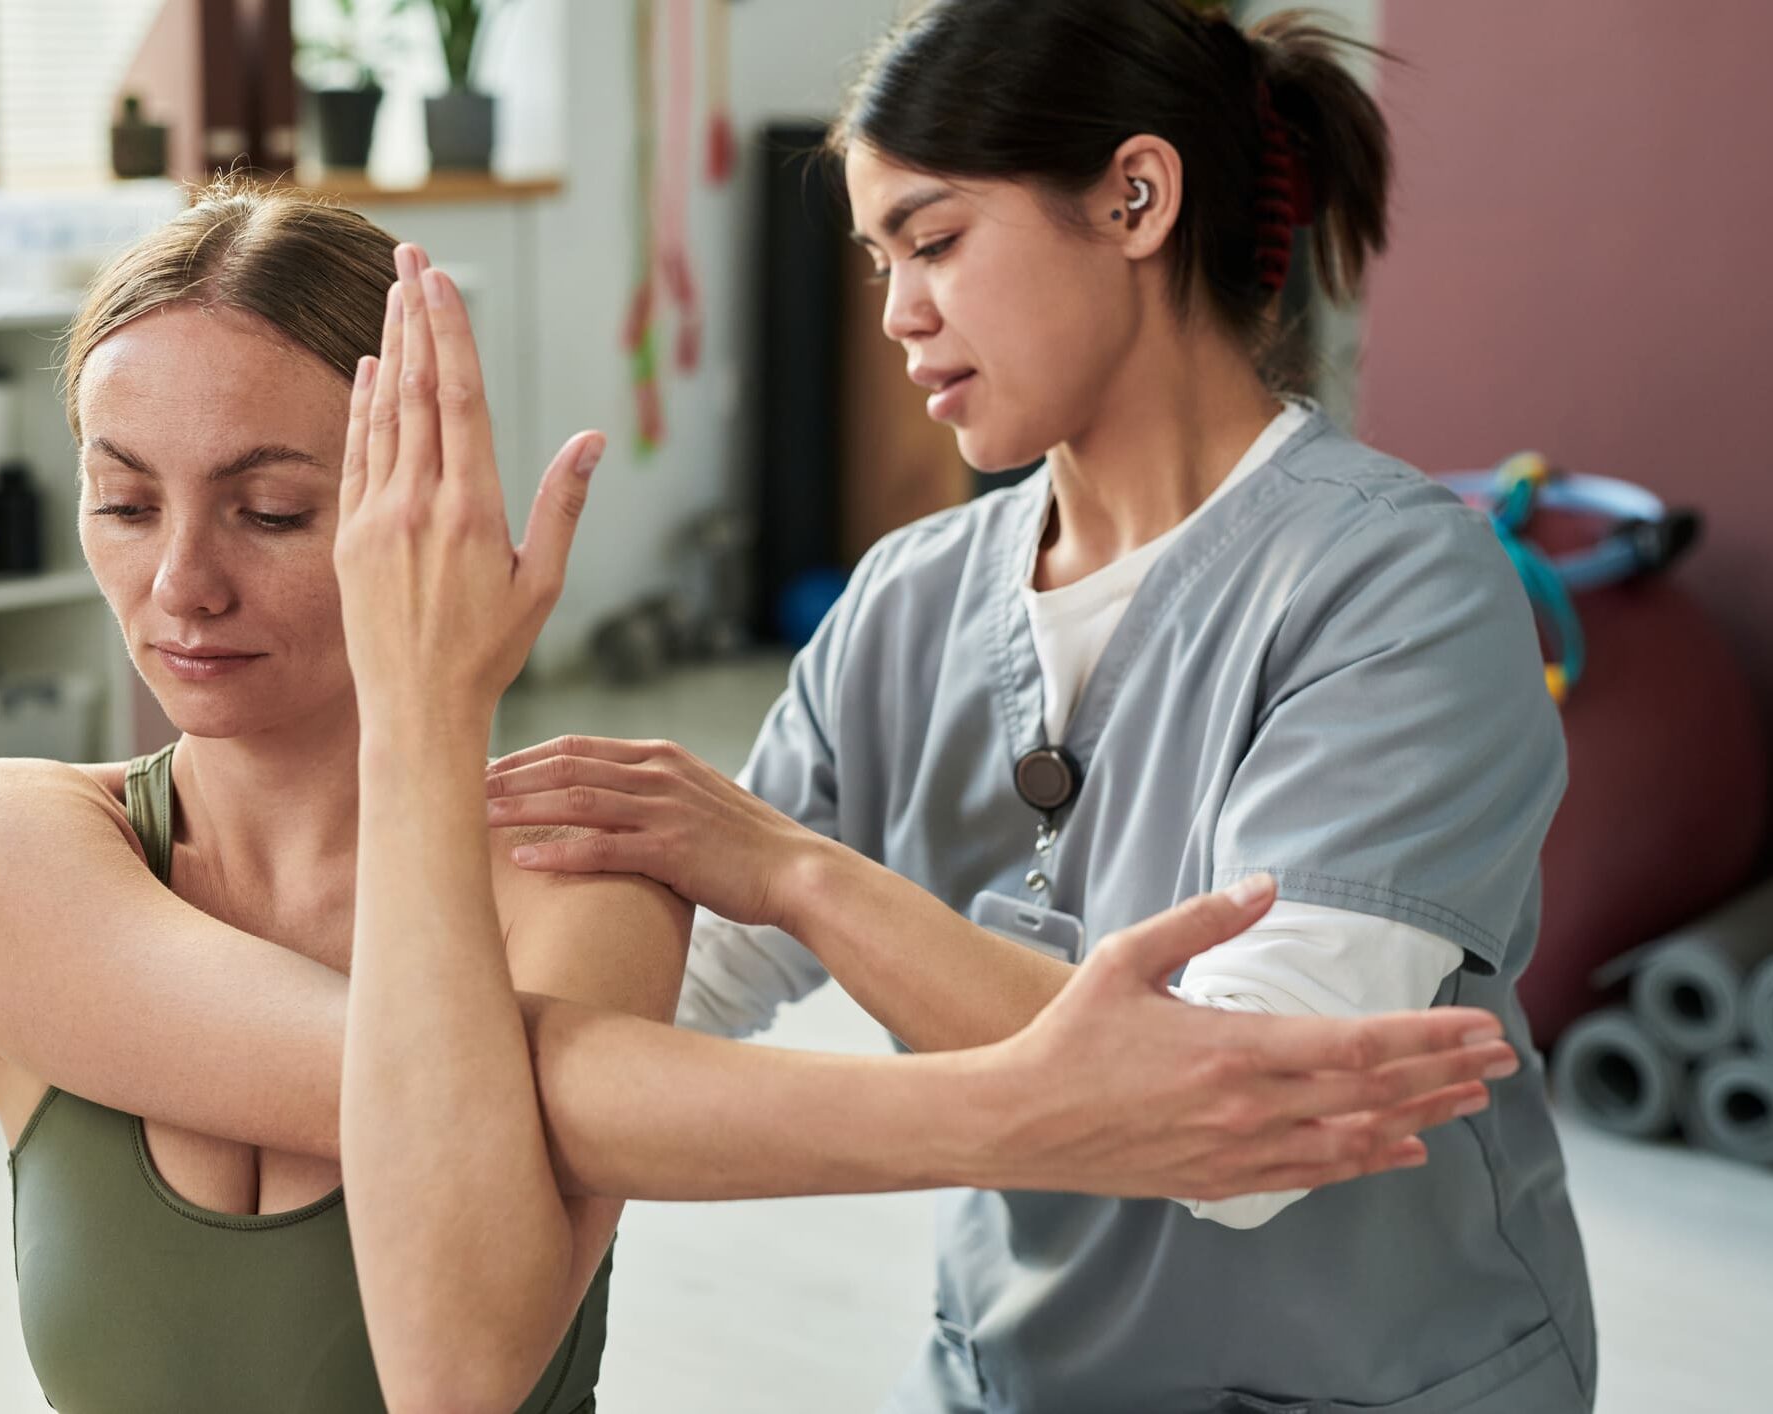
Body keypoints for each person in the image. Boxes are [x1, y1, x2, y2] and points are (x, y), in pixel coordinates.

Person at [0, 179, 1516, 1413]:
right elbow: (447, 1087)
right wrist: (1014, 1105)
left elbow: (457, 1365)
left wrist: (429, 709)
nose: (177, 582)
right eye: (121, 501)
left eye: (269, 507)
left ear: (426, 505)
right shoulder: (2, 841)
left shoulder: (582, 875)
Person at [481, 2, 1597, 1412]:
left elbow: (1248, 1124)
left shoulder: (1400, 587)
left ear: (1134, 196)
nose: (894, 312)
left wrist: (796, 873)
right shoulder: (903, 600)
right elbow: (686, 982)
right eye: (877, 260)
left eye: (933, 240)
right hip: (1004, 1378)